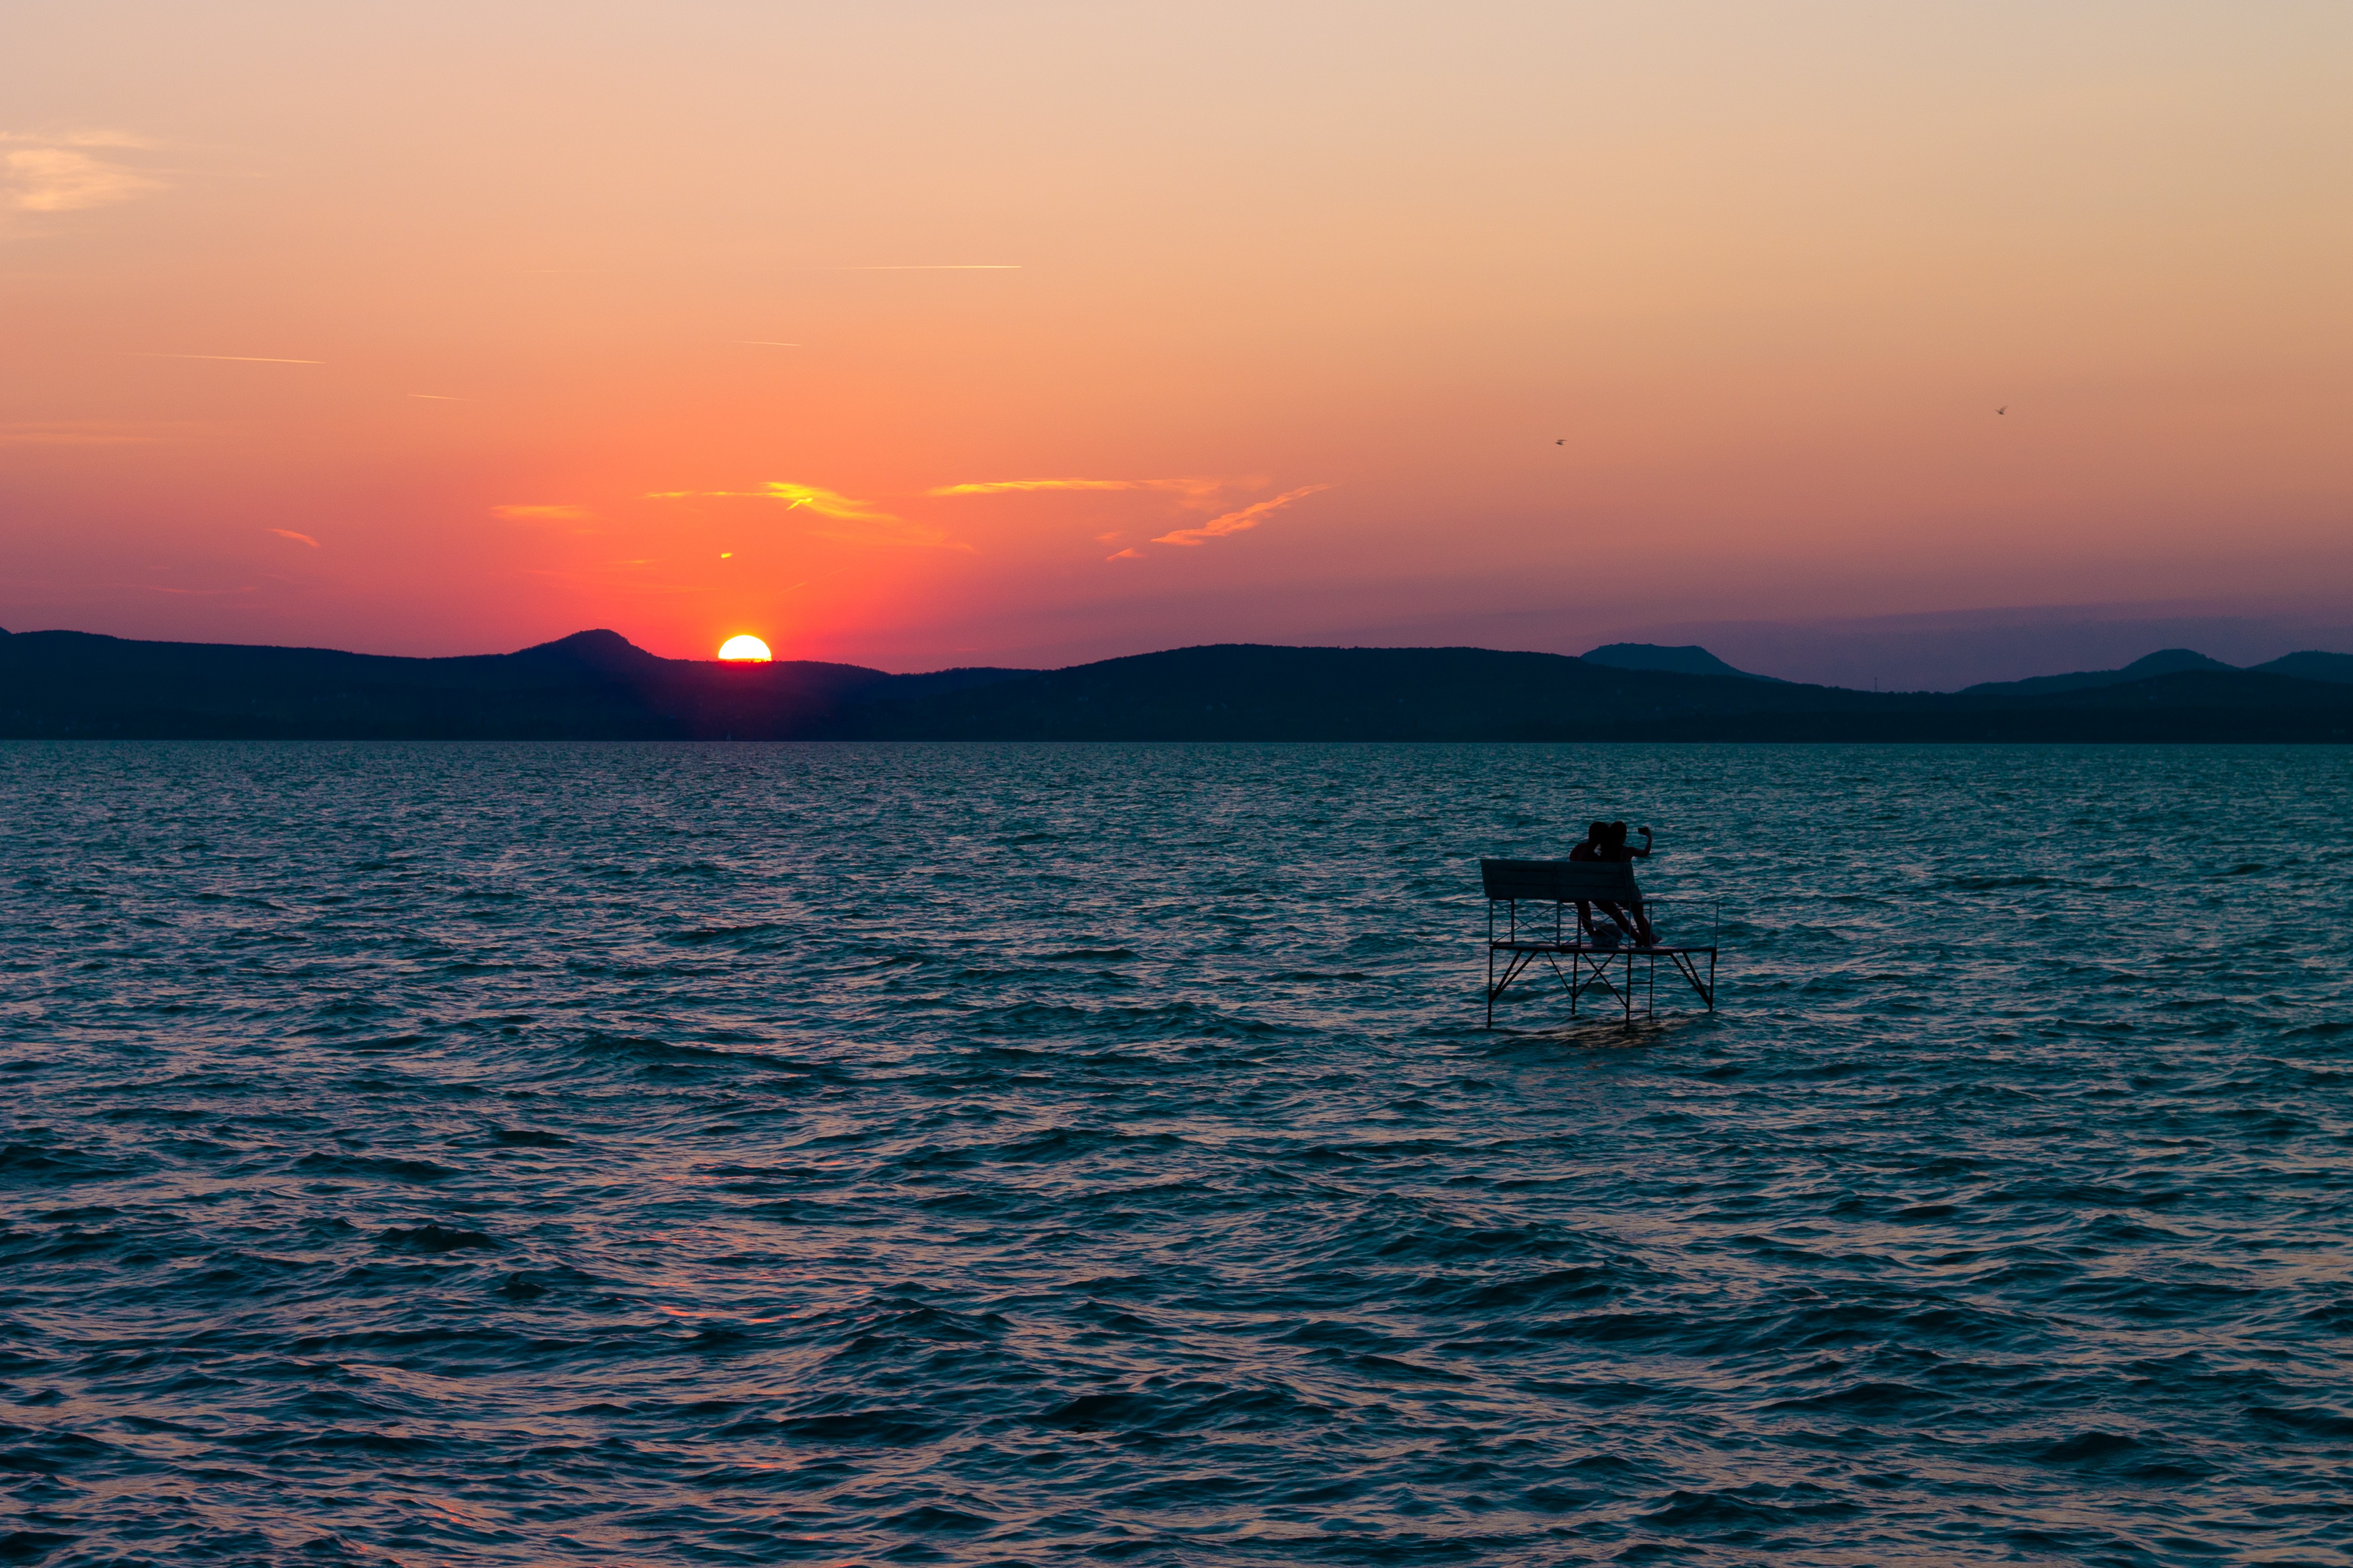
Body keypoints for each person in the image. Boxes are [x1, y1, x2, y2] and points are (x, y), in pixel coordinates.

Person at [1595, 821, 1658, 946]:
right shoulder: (1629, 851)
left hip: (1614, 895)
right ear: (1624, 837)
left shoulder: (1604, 853)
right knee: (1638, 911)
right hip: (1629, 893)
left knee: (1637, 910)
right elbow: (1646, 853)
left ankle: (1652, 937)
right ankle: (1647, 941)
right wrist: (1650, 838)